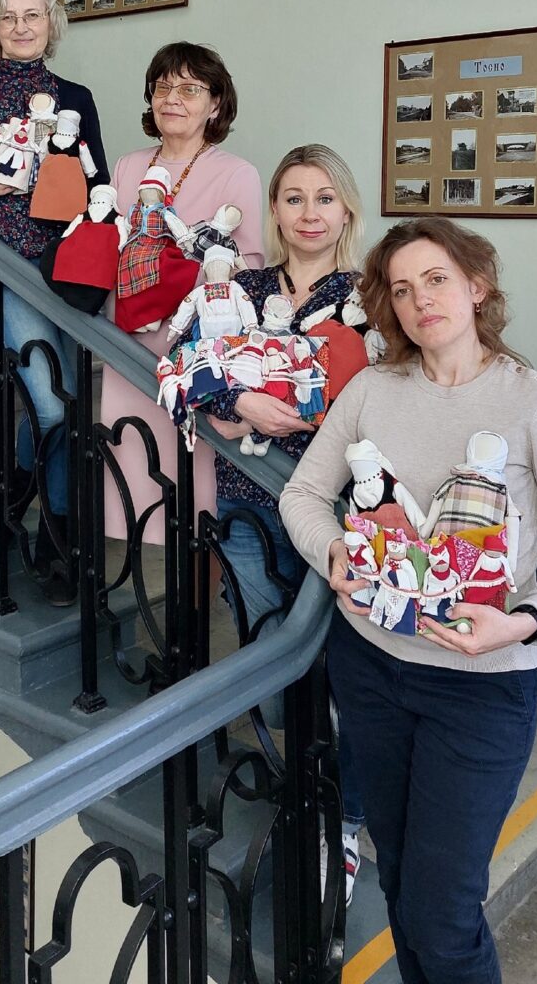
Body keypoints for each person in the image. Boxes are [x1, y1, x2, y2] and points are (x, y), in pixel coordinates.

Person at [280, 216, 537, 984]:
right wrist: (332, 550)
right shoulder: (372, 389)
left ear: (477, 287)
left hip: (480, 691)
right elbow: (303, 494)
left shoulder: (536, 406)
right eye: (401, 290)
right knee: (403, 883)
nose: (419, 300)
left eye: (436, 280)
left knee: (443, 914)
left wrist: (523, 622)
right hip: (371, 670)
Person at [203, 144, 370, 903]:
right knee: (271, 660)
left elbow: (383, 398)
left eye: (324, 198)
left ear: (346, 210)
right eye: (294, 198)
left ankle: (347, 819)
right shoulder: (238, 287)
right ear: (273, 209)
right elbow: (191, 369)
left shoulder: (367, 297)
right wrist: (238, 403)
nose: (309, 213)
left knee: (348, 671)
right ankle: (300, 780)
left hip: (333, 512)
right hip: (245, 499)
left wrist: (313, 418)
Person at [0, 0, 108, 601]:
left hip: (64, 270)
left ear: (50, 23)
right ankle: (45, 529)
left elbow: (98, 184)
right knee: (55, 405)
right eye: (9, 17)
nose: (21, 26)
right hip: (0, 267)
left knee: (66, 406)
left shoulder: (75, 97)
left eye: (33, 15)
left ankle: (24, 508)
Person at [101, 42, 263, 542]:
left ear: (215, 104)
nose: (172, 98)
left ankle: (196, 587)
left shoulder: (236, 172)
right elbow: (108, 244)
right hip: (128, 345)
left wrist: (169, 278)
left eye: (190, 89)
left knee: (198, 506)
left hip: (193, 353)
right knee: (130, 483)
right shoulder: (127, 165)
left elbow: (249, 265)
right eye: (163, 87)